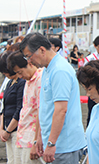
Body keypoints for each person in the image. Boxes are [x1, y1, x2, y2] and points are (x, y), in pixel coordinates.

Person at [19, 32, 86, 164]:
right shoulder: (47, 70)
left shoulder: (59, 70)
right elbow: (44, 108)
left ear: (42, 50)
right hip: (53, 142)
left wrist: (51, 143)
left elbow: (61, 110)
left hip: (63, 145)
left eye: (28, 56)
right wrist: (39, 138)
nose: (29, 61)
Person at [7, 50, 45, 164]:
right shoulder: (28, 80)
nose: (20, 76)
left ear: (29, 63)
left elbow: (41, 111)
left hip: (32, 138)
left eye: (20, 72)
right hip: (22, 136)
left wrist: (36, 141)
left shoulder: (40, 79)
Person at [0, 51, 26, 164]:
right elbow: (3, 107)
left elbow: (19, 109)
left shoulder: (21, 82)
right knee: (10, 160)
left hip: (16, 130)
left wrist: (8, 130)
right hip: (7, 128)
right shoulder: (9, 82)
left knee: (17, 160)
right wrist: (2, 129)